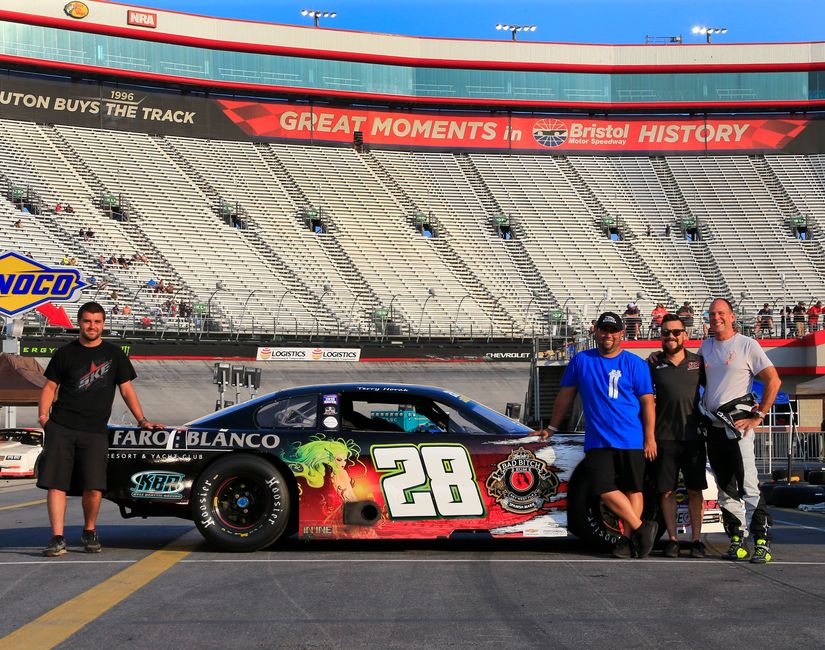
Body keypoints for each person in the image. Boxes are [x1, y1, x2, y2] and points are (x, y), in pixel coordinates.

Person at [37, 302, 162, 557]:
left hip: (95, 431)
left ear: (103, 324)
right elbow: (50, 388)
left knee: (93, 487)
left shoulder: (115, 355)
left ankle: (89, 531)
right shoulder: (64, 354)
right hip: (61, 427)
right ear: (79, 323)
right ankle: (57, 538)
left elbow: (127, 390)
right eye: (87, 321)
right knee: (56, 485)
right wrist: (43, 418)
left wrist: (142, 420)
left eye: (96, 322)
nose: (91, 326)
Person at [540, 312, 658, 558]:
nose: (608, 335)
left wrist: (650, 437)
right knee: (603, 488)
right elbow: (566, 396)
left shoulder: (635, 364)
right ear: (596, 332)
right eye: (603, 330)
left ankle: (628, 540)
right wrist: (551, 427)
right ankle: (641, 528)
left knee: (633, 490)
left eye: (613, 331)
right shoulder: (582, 360)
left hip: (631, 438)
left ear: (621, 333)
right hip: (599, 439)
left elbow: (648, 403)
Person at [700, 298, 781, 563]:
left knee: (749, 486)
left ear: (732, 317)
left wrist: (758, 415)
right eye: (712, 314)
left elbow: (773, 380)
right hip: (713, 427)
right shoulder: (706, 346)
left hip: (738, 429)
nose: (716, 318)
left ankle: (762, 541)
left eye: (721, 313)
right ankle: (737, 539)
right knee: (725, 488)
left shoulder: (747, 345)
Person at [649, 314, 707, 559]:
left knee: (695, 490)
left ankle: (696, 540)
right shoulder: (652, 364)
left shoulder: (699, 362)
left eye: (675, 332)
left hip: (693, 437)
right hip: (663, 438)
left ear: (685, 334)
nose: (671, 336)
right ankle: (672, 539)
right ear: (660, 336)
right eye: (666, 333)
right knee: (666, 491)